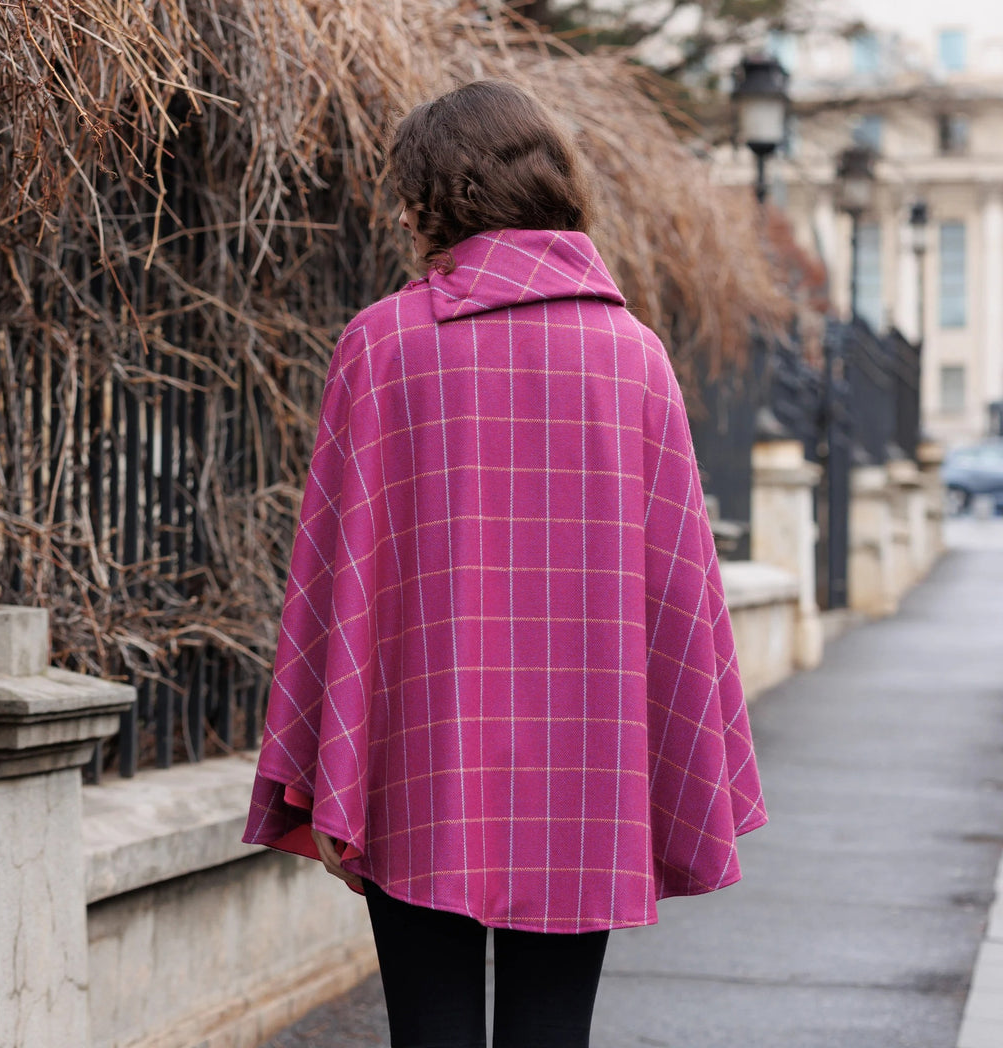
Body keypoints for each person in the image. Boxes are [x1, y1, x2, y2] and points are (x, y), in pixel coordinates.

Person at [243, 79, 766, 1048]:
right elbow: (678, 589)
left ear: (435, 197)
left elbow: (336, 573)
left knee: (429, 1032)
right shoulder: (635, 356)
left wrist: (332, 765)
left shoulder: (381, 347)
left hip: (419, 762)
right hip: (588, 767)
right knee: (552, 1033)